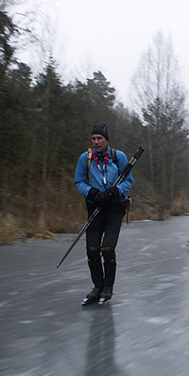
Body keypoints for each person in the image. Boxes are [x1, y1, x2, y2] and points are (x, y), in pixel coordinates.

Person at [74, 124, 134, 305]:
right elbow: (79, 181)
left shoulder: (119, 157)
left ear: (107, 139)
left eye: (99, 138)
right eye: (93, 139)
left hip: (114, 209)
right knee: (92, 250)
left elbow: (128, 180)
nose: (96, 142)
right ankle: (97, 287)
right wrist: (91, 193)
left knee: (107, 249)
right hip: (95, 208)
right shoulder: (86, 159)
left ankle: (108, 287)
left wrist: (116, 192)